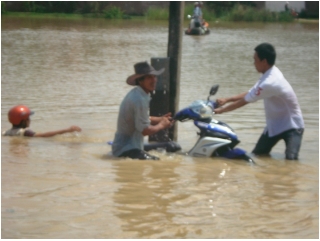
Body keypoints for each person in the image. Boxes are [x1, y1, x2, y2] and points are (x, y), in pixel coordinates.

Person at [214, 43, 304, 160]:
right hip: (274, 125)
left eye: (255, 60)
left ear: (264, 62)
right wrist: (227, 99)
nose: (254, 63)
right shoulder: (268, 74)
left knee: (291, 160)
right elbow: (251, 92)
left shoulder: (270, 82)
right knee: (258, 155)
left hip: (292, 125)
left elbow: (245, 101)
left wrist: (221, 111)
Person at [112, 61, 174, 160]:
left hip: (129, 145)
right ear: (140, 81)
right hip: (125, 149)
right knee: (157, 162)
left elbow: (141, 118)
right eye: (149, 77)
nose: (154, 80)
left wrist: (160, 119)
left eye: (154, 76)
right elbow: (145, 130)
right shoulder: (139, 99)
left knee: (168, 149)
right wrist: (162, 125)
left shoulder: (140, 94)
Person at [3, 105, 82, 137]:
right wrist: (66, 130)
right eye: (28, 118)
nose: (30, 120)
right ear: (24, 120)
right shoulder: (26, 132)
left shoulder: (6, 133)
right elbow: (43, 135)